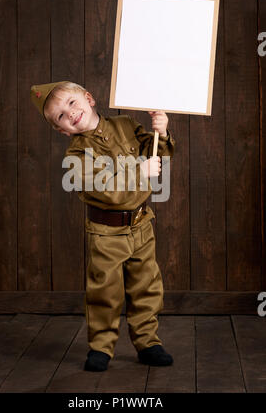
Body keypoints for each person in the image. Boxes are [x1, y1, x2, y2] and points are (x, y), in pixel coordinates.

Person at [30, 80, 175, 371]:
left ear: (89, 98)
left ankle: (148, 342)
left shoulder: (125, 124)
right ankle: (101, 347)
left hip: (141, 225)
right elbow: (104, 187)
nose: (69, 113)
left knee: (146, 286)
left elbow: (156, 153)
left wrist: (160, 131)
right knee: (105, 292)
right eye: (60, 116)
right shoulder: (77, 156)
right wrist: (140, 170)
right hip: (106, 232)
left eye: (71, 103)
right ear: (62, 130)